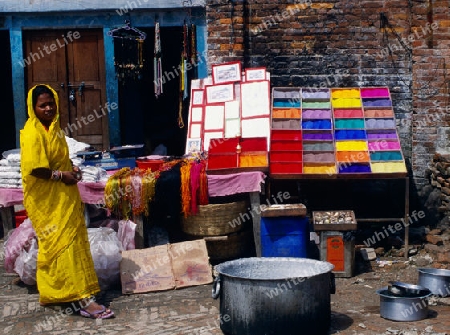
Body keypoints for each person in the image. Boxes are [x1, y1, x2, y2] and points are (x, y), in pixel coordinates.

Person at [20, 84, 115, 319]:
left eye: (51, 103)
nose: (49, 108)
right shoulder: (33, 133)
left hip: (64, 196)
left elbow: (57, 159)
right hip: (47, 201)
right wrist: (61, 176)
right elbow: (35, 168)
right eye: (43, 105)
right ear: (33, 108)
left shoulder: (54, 129)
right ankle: (82, 300)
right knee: (62, 245)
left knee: (69, 243)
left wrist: (71, 168)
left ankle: (55, 292)